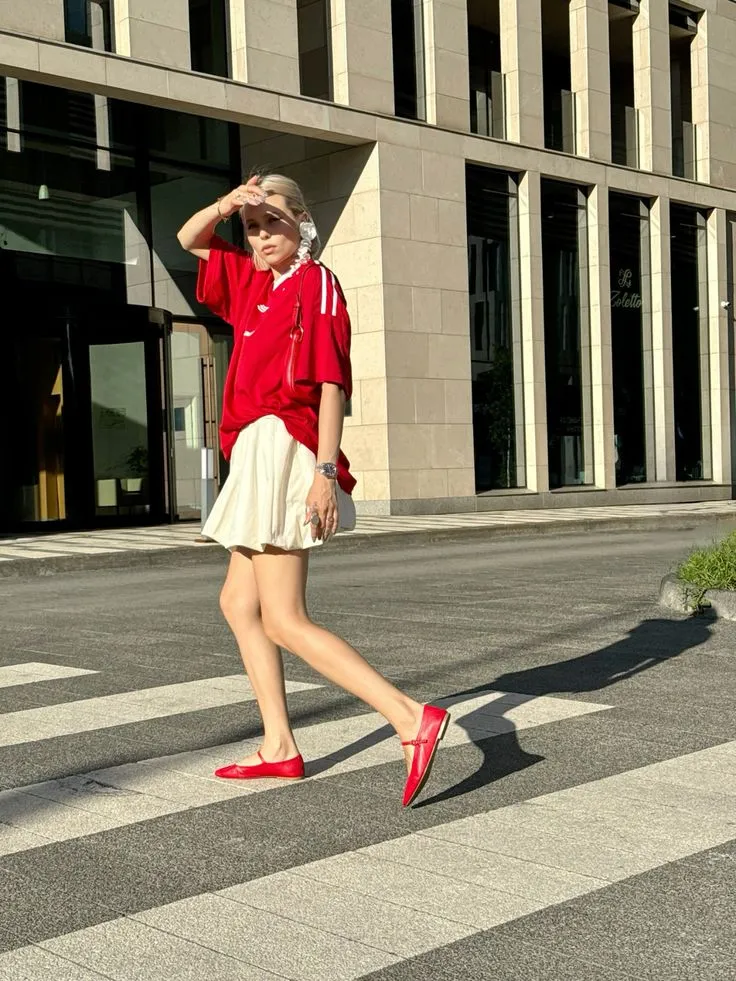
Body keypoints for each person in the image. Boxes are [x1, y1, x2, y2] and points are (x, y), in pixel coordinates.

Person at [176, 174, 449, 807]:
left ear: (301, 221)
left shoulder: (316, 283)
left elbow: (331, 384)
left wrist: (325, 474)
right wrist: (228, 204)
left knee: (283, 616)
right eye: (253, 227)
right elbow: (191, 237)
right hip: (253, 448)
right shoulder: (251, 285)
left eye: (273, 222)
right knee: (238, 605)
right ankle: (280, 746)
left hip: (287, 448)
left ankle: (410, 717)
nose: (262, 235)